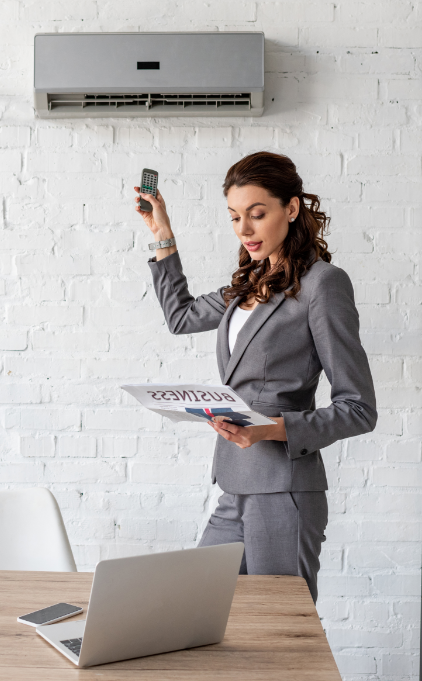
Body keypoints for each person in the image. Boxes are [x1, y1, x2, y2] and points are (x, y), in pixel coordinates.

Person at [134, 151, 377, 603]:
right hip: (235, 485)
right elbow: (180, 317)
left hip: (284, 491)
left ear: (291, 208)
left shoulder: (323, 285)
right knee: (195, 610)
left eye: (257, 214)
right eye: (234, 217)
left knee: (283, 636)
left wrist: (275, 428)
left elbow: (358, 409)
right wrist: (161, 232)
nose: (244, 229)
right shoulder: (246, 285)